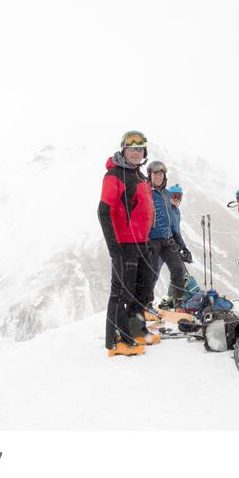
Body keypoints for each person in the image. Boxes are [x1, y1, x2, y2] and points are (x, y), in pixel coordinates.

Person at [98, 130, 157, 357]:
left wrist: (148, 239)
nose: (136, 152)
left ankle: (135, 331)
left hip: (142, 243)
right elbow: (104, 211)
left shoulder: (139, 176)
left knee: (141, 291)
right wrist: (114, 247)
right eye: (132, 148)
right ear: (124, 149)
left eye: (140, 148)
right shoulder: (114, 175)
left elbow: (145, 211)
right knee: (122, 294)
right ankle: (114, 342)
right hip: (124, 244)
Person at [145, 162, 192, 311]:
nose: (158, 177)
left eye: (161, 174)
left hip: (168, 239)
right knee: (150, 273)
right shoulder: (146, 192)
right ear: (150, 175)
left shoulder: (166, 194)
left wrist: (181, 244)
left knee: (178, 270)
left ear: (164, 176)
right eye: (155, 174)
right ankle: (146, 304)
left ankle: (178, 302)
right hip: (152, 240)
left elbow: (171, 220)